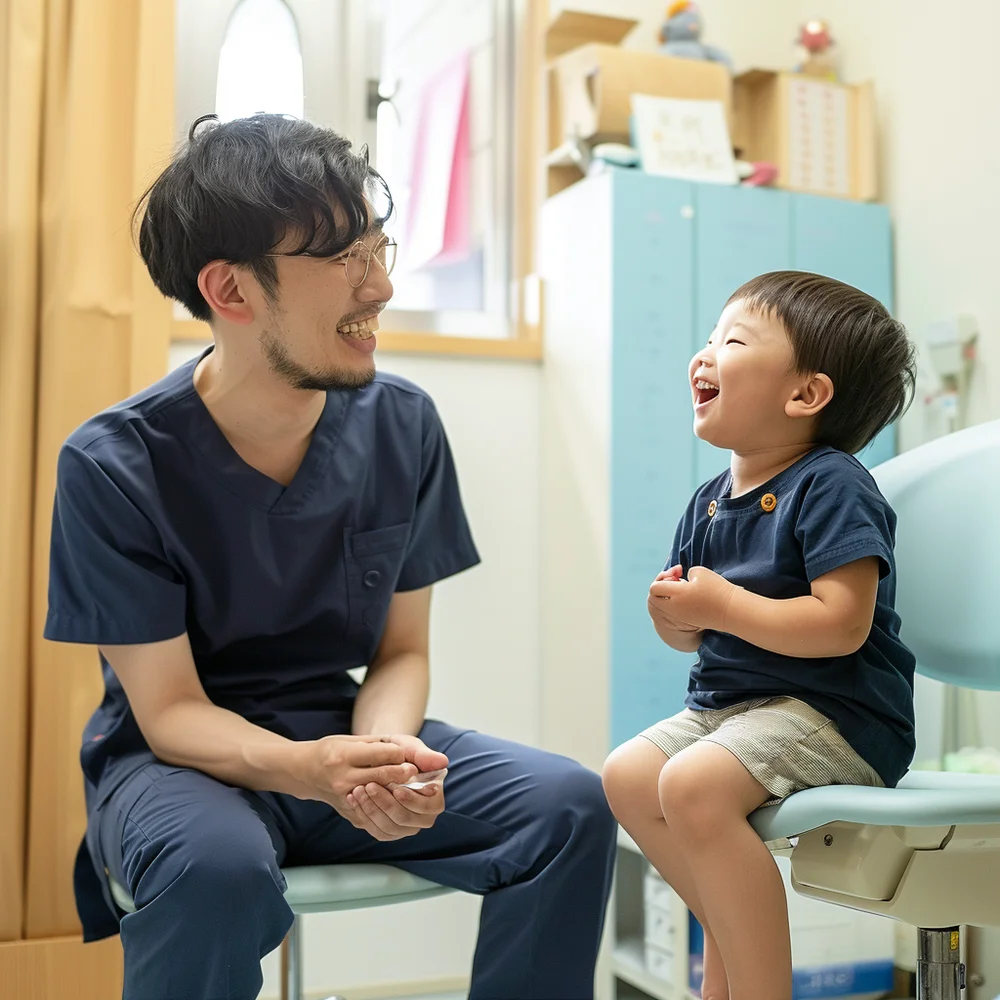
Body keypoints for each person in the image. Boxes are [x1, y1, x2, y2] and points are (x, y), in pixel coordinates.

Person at [45, 114, 616, 1000]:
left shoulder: (404, 423)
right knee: (215, 872)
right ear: (231, 292)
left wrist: (381, 754)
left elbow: (401, 651)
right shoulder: (112, 465)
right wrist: (312, 770)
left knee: (569, 806)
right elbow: (169, 714)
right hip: (180, 766)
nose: (381, 285)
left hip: (338, 733)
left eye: (380, 248)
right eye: (345, 259)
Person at [601, 271, 917, 1000]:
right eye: (709, 337)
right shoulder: (708, 503)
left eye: (733, 341)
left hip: (837, 713)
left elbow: (842, 624)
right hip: (733, 711)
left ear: (805, 395)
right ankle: (733, 946)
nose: (704, 354)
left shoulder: (832, 483)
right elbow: (695, 639)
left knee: (691, 785)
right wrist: (676, 617)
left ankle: (755, 984)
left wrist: (723, 605)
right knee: (625, 775)